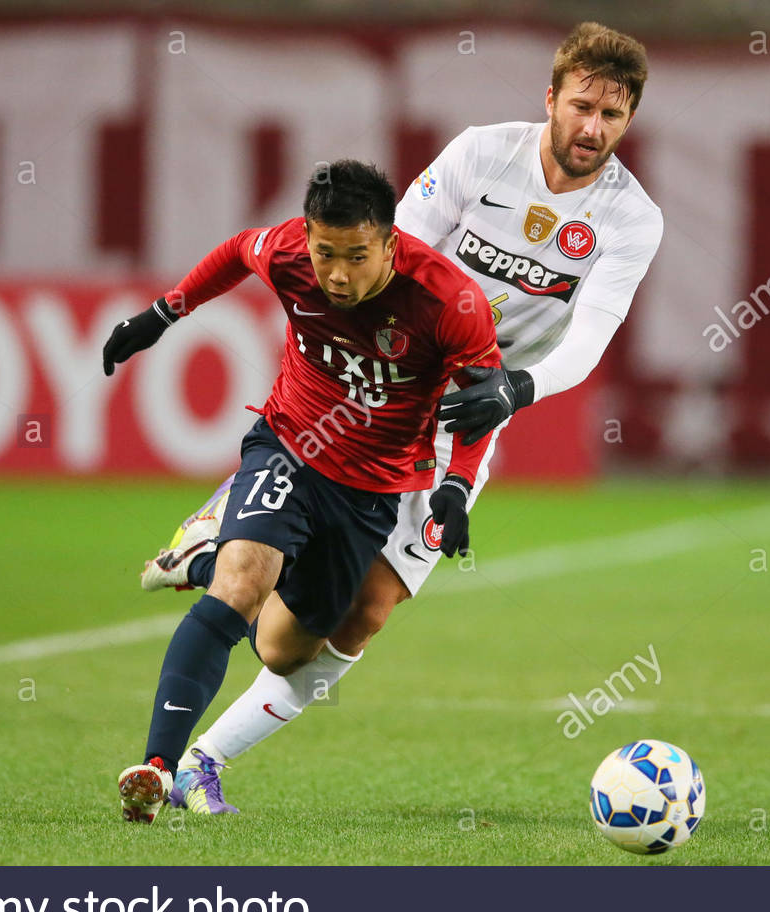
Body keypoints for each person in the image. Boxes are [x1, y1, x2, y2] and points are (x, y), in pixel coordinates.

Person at [142, 21, 663, 814]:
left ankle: (205, 752)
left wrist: (513, 389)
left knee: (344, 623)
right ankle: (230, 539)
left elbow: (589, 339)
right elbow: (393, 256)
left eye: (613, 117)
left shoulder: (632, 218)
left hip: (477, 405)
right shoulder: (483, 153)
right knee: (264, 573)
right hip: (388, 387)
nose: (593, 129)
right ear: (551, 97)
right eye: (583, 106)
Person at [104, 160, 501, 822]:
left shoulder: (449, 301)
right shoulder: (287, 249)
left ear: (390, 241)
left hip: (370, 490)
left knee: (285, 650)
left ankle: (199, 553)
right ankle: (157, 767)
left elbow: (480, 406)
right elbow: (237, 249)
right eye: (325, 254)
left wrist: (456, 487)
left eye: (356, 256)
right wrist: (164, 312)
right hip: (288, 446)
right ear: (309, 237)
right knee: (240, 589)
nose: (337, 273)